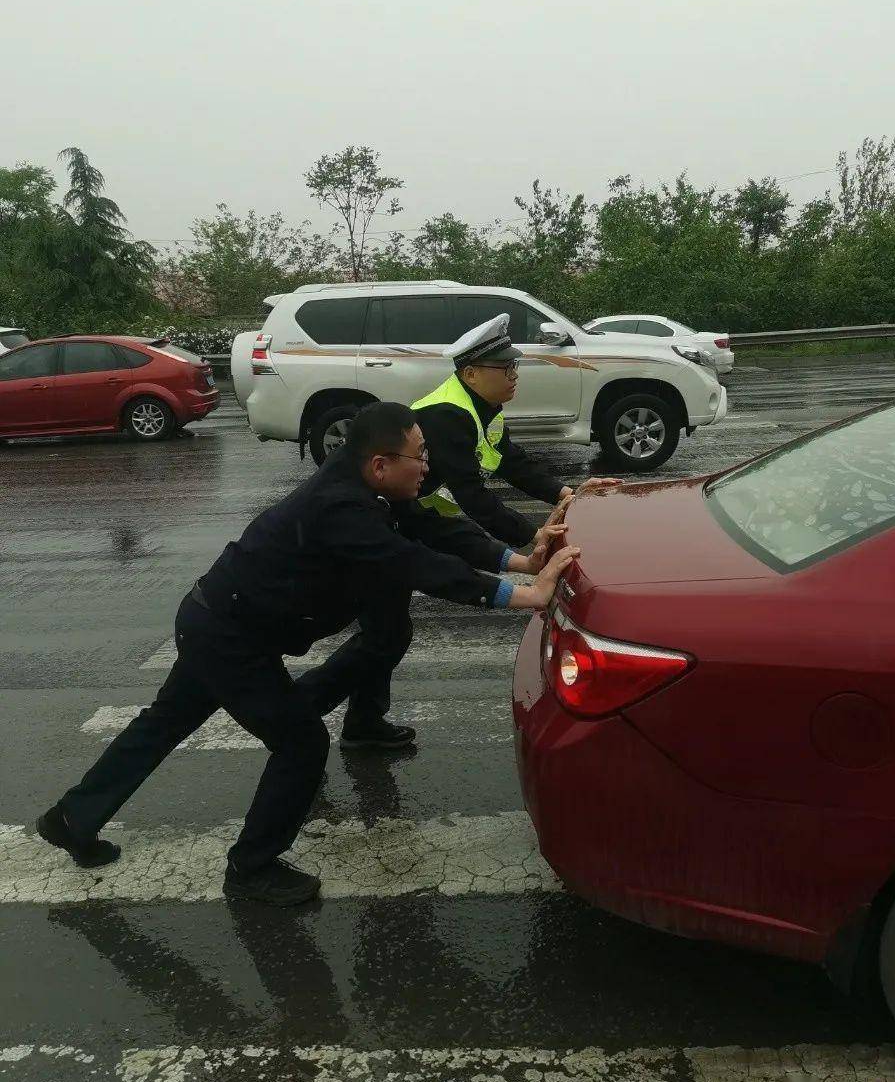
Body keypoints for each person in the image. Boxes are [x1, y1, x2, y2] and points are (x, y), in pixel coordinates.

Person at [36, 402, 578, 907]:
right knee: (301, 742)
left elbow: (433, 530)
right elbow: (409, 562)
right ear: (380, 463)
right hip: (228, 636)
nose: (426, 467)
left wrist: (521, 561)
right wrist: (521, 597)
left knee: (164, 724)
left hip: (221, 623)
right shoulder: (338, 507)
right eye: (420, 458)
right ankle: (251, 869)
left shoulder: (370, 488)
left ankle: (72, 819)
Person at [412, 314, 619, 551]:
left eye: (514, 366)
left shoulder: (483, 408)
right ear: (470, 374)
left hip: (423, 517)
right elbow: (471, 496)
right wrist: (534, 534)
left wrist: (569, 495)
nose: (514, 375)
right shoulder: (445, 415)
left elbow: (513, 463)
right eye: (505, 368)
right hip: (392, 516)